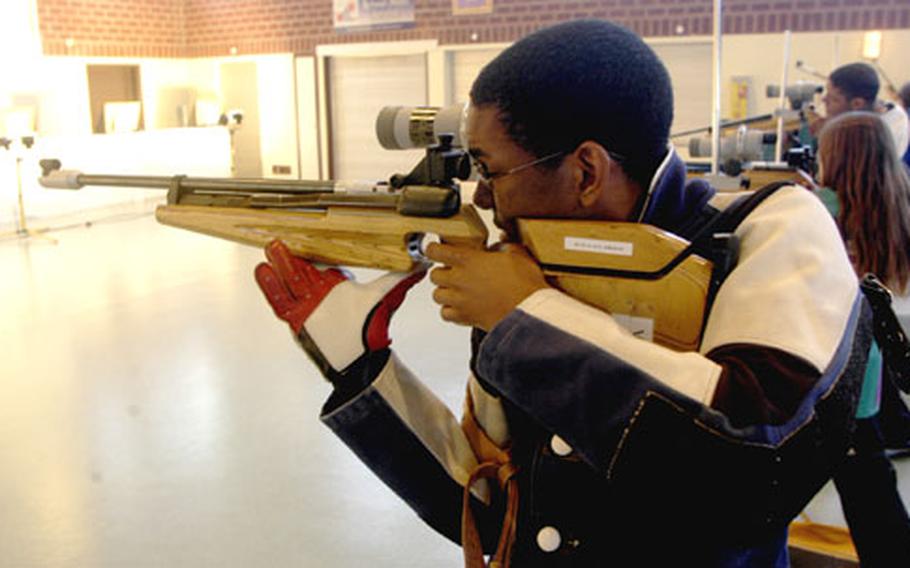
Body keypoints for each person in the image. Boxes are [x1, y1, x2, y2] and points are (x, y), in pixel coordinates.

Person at [255, 20, 870, 566]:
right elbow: (487, 509)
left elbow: (754, 466)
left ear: (585, 172)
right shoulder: (536, 270)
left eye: (492, 172)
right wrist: (361, 363)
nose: (483, 200)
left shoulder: (773, 228)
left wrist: (525, 316)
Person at [816, 111, 910, 566]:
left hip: (821, 371)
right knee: (872, 489)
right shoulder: (894, 205)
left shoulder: (823, 209)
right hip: (865, 374)